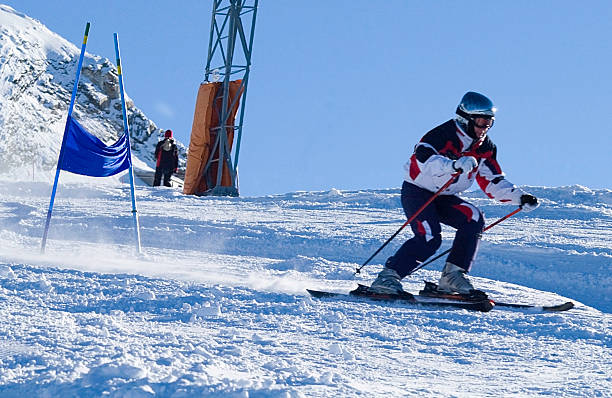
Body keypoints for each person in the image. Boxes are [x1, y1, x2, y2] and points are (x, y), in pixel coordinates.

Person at [369, 91, 539, 296]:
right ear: (465, 118)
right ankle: (388, 278)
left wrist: (519, 197)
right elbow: (424, 160)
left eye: (489, 123)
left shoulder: (485, 146)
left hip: (444, 196)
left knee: (473, 218)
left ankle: (452, 277)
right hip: (418, 191)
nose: (484, 128)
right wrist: (453, 165)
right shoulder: (442, 135)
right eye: (481, 122)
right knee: (430, 238)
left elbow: (492, 180)